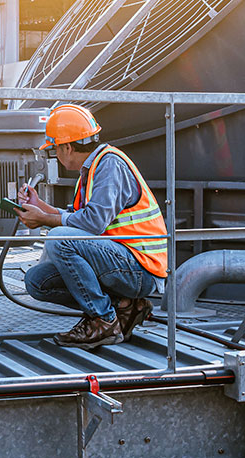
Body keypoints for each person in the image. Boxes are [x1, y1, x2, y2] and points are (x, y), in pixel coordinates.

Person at [16, 103, 168, 350]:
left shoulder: (109, 165)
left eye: (54, 149)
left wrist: (45, 220)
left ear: (66, 147)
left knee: (59, 238)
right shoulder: (92, 168)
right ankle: (124, 306)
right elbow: (78, 219)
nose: (55, 155)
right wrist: (42, 207)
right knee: (37, 281)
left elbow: (93, 223)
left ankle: (103, 321)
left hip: (140, 269)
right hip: (119, 262)